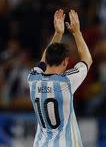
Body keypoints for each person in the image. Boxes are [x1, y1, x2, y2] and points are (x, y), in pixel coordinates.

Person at [28, 9, 92, 146]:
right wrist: (77, 32)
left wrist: (58, 33)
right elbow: (87, 59)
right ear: (65, 62)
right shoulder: (66, 82)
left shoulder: (33, 79)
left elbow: (43, 61)